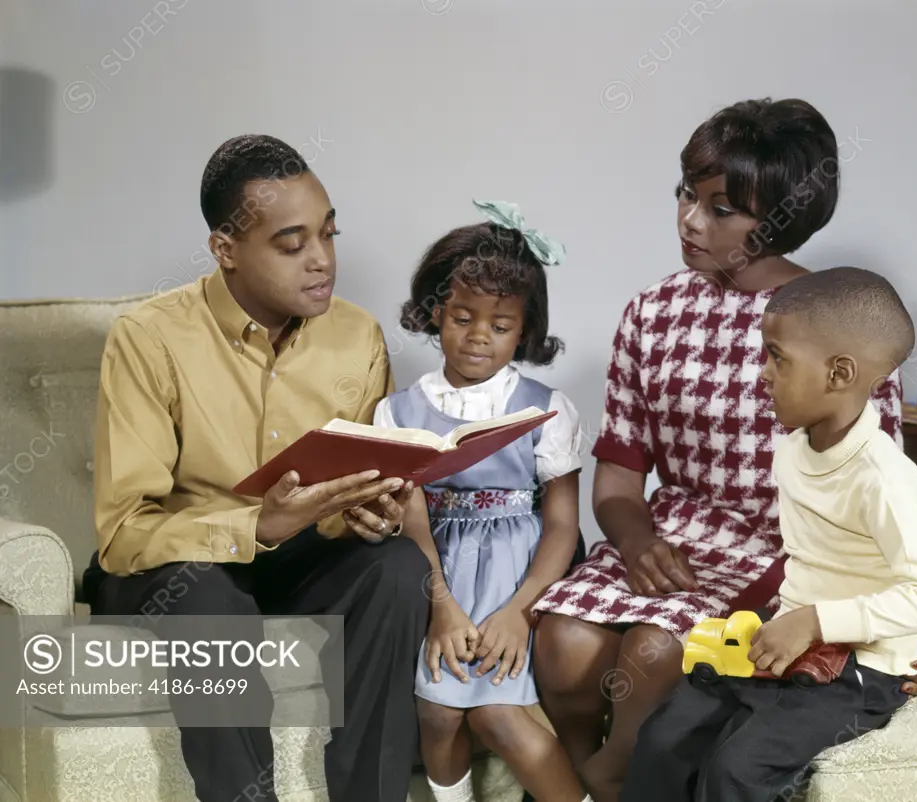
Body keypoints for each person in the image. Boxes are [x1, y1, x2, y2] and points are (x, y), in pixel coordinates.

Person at [529, 98, 917, 802]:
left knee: (655, 650)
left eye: (721, 209)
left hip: (781, 557)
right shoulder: (651, 312)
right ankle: (589, 780)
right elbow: (617, 480)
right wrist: (636, 543)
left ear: (778, 221)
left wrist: (902, 630)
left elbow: (874, 498)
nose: (690, 220)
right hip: (668, 539)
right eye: (685, 195)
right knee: (563, 644)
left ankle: (617, 781)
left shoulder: (832, 329)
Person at [82, 134, 430, 802]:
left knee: (398, 570)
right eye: (292, 244)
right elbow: (124, 533)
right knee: (204, 593)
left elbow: (357, 483)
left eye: (329, 235)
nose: (322, 261)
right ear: (226, 250)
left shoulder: (357, 336)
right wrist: (258, 524)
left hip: (303, 554)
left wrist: (369, 511)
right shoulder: (149, 338)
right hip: (173, 569)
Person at [620, 266, 917, 802]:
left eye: (778, 357)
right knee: (665, 737)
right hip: (790, 637)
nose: (763, 375)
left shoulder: (884, 478)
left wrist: (813, 622)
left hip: (860, 667)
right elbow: (810, 561)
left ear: (839, 373)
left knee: (736, 771)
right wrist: (789, 622)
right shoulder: (793, 452)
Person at [373, 200, 591, 802]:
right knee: (439, 714)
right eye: (462, 317)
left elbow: (563, 525)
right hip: (432, 573)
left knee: (497, 713)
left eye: (500, 326)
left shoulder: (546, 407)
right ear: (434, 312)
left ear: (524, 331)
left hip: (522, 576)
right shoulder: (398, 411)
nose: (477, 338)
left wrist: (520, 611)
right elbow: (409, 517)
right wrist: (441, 607)